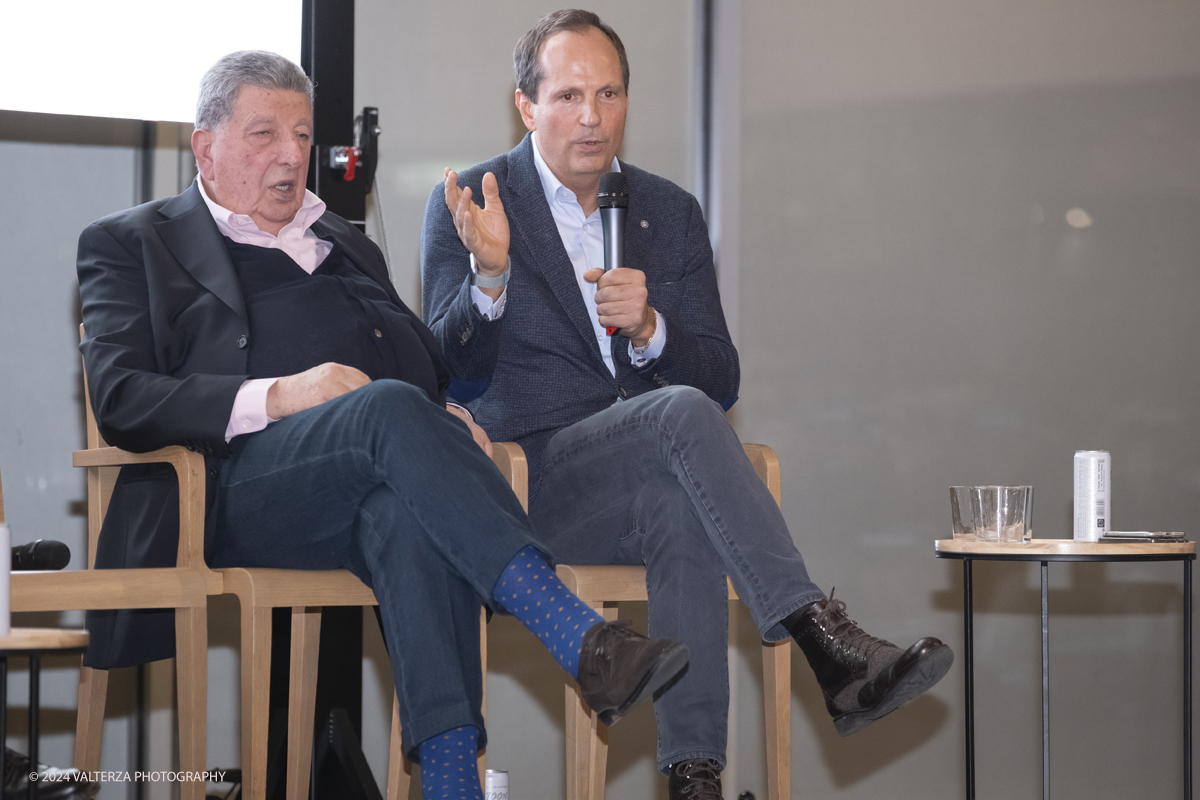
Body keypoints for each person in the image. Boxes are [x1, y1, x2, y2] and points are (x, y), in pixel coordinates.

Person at [76, 50, 689, 800]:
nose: (292, 155)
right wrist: (277, 395)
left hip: (367, 472)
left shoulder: (341, 237)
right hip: (229, 489)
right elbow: (121, 396)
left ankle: (451, 784)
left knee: (404, 511)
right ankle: (576, 633)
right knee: (388, 410)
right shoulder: (134, 241)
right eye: (265, 134)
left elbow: (430, 364)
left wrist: (464, 355)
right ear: (206, 146)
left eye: (302, 135)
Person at [420, 9, 954, 798]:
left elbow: (721, 374)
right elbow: (445, 370)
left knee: (680, 496)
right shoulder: (472, 201)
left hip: (643, 478)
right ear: (526, 106)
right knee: (680, 418)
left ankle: (693, 776)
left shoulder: (666, 212)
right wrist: (489, 279)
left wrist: (653, 329)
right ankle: (823, 638)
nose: (593, 117)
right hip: (530, 483)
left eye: (610, 94)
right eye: (568, 96)